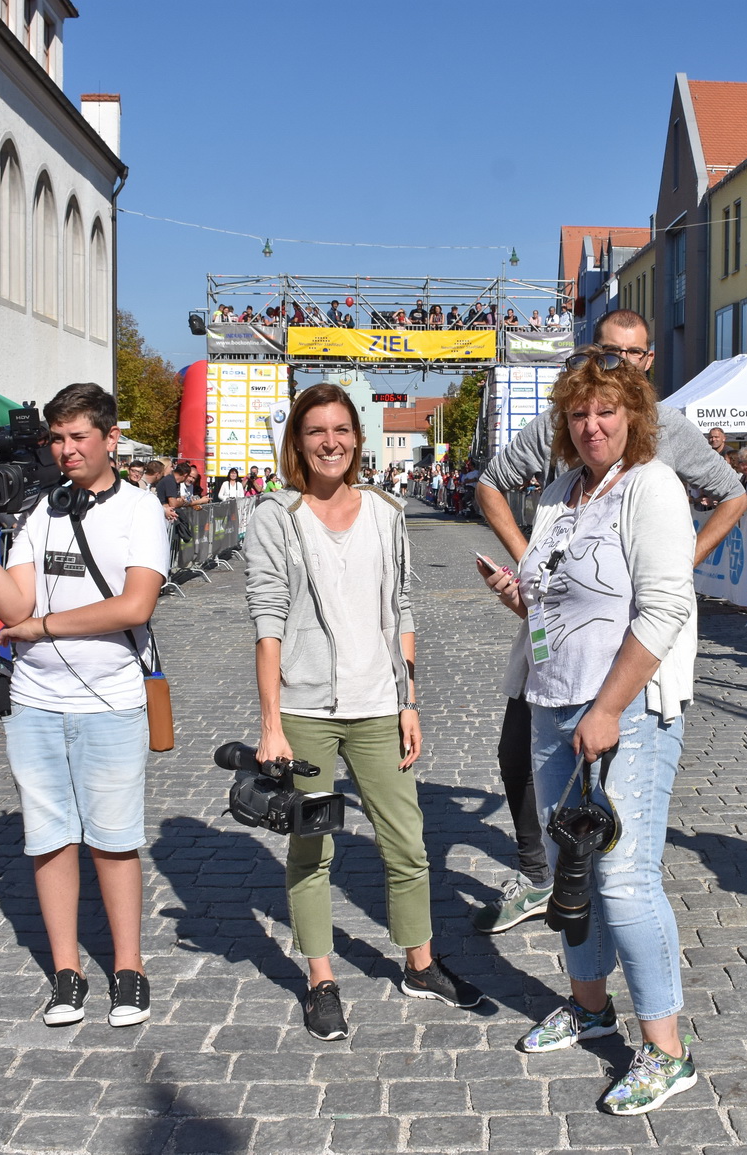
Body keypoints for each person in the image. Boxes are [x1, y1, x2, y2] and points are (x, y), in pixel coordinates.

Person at [471, 310, 746, 936]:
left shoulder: (667, 435)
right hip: (558, 635)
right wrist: (530, 565)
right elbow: (491, 484)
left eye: (631, 354)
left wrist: (680, 562)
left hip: (633, 645)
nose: (592, 423)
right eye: (604, 350)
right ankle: (543, 876)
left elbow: (733, 495)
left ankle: (589, 890)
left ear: (648, 361)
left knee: (622, 871)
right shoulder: (564, 425)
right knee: (518, 754)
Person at [476, 353, 699, 1116]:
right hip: (551, 700)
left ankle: (667, 1050)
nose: (592, 425)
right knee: (571, 867)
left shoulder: (652, 486)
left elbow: (665, 608)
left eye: (606, 411)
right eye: (578, 413)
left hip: (624, 707)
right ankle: (589, 1005)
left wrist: (607, 707)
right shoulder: (561, 493)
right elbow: (554, 601)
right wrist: (519, 596)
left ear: (633, 415)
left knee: (624, 877)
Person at [244, 382, 482, 1042]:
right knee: (312, 847)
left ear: (357, 437)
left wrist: (410, 701)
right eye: (315, 431)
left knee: (406, 841)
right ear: (298, 442)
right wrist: (271, 723)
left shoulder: (384, 511)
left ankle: (420, 964)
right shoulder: (276, 515)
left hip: (379, 703)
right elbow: (267, 621)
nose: (330, 442)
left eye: (341, 429)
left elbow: (400, 608)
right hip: (306, 708)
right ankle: (321, 979)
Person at [0, 382, 168, 1028]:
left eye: (79, 436)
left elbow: (135, 606)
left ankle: (129, 969)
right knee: (49, 840)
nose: (67, 449)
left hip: (111, 699)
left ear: (110, 438)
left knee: (114, 840)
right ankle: (67, 972)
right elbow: (13, 606)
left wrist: (43, 628)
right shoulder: (40, 511)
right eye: (58, 438)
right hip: (36, 700)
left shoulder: (141, 509)